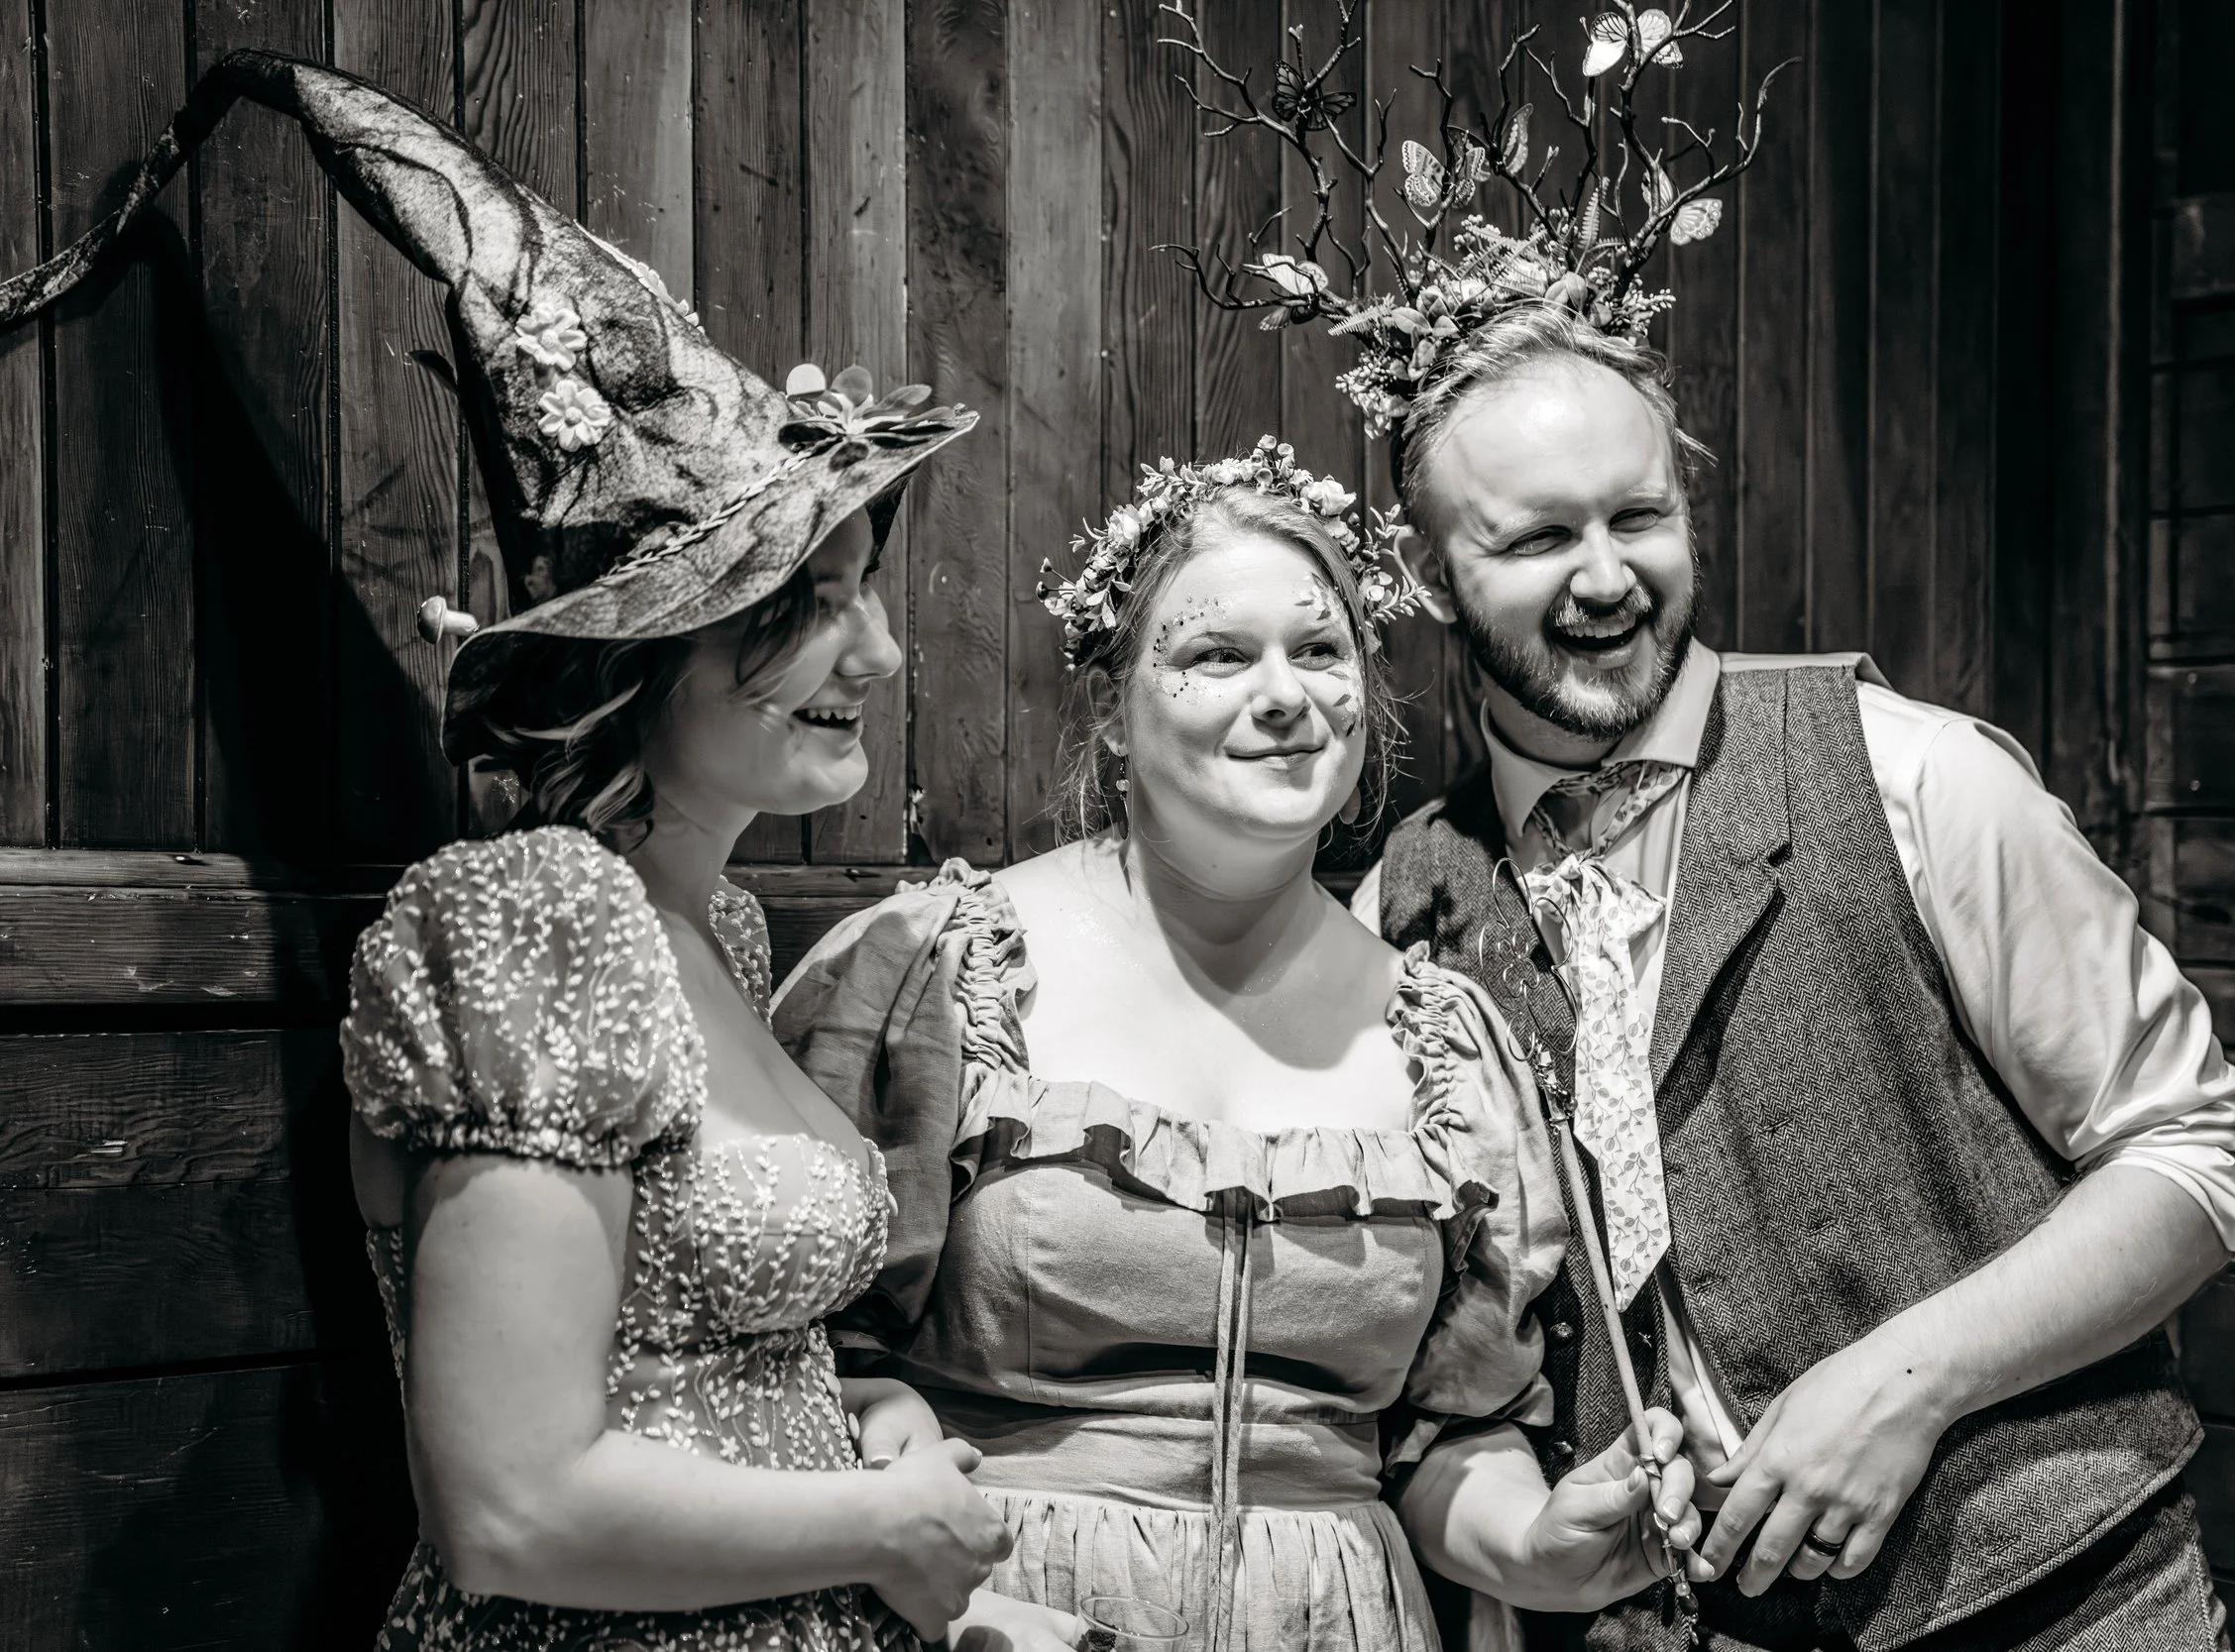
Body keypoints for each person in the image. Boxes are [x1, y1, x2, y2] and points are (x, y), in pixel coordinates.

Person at [0, 52, 1014, 1652]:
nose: (876, 653)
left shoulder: (722, 932)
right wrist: (883, 1518)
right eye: (806, 601)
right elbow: (513, 1507)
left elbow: (692, 1365)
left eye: (866, 589)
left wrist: (865, 1419)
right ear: (638, 655)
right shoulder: (533, 916)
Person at [1349, 276, 2235, 1648]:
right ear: (1430, 574)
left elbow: (2206, 1151)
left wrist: (1910, 1381)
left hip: (2063, 1604)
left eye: (1640, 515)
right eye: (1541, 536)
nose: (1607, 575)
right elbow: (1422, 1378)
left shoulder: (1917, 774)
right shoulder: (1399, 905)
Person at [770, 438, 1707, 1652]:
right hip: (992, 1617)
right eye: (1217, 653)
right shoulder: (928, 971)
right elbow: (765, 1369)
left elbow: (1439, 1435)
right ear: (1110, 709)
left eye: (1320, 651)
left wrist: (1536, 1545)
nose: (1285, 694)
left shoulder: (1448, 1043)